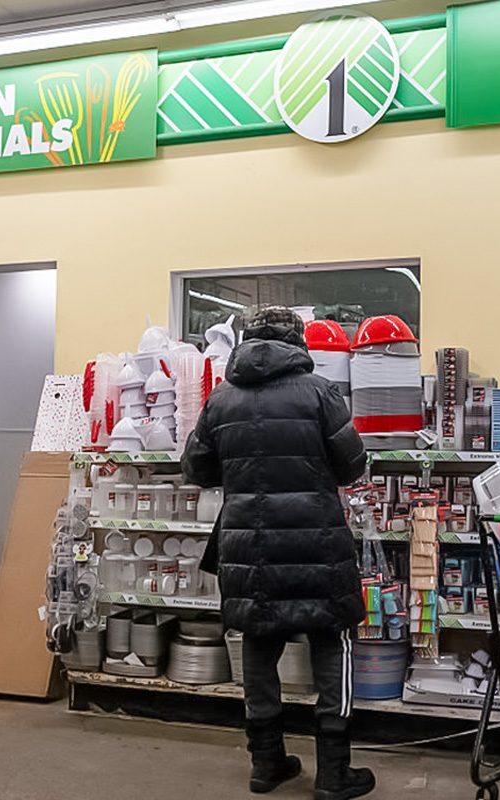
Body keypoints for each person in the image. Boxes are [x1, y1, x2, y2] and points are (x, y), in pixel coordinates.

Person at [183, 306, 374, 800]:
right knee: (332, 642)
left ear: (246, 342)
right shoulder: (321, 394)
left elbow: (197, 470)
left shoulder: (221, 399)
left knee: (259, 644)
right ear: (299, 345)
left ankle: (266, 764)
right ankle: (334, 774)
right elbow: (352, 465)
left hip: (250, 546)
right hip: (318, 545)